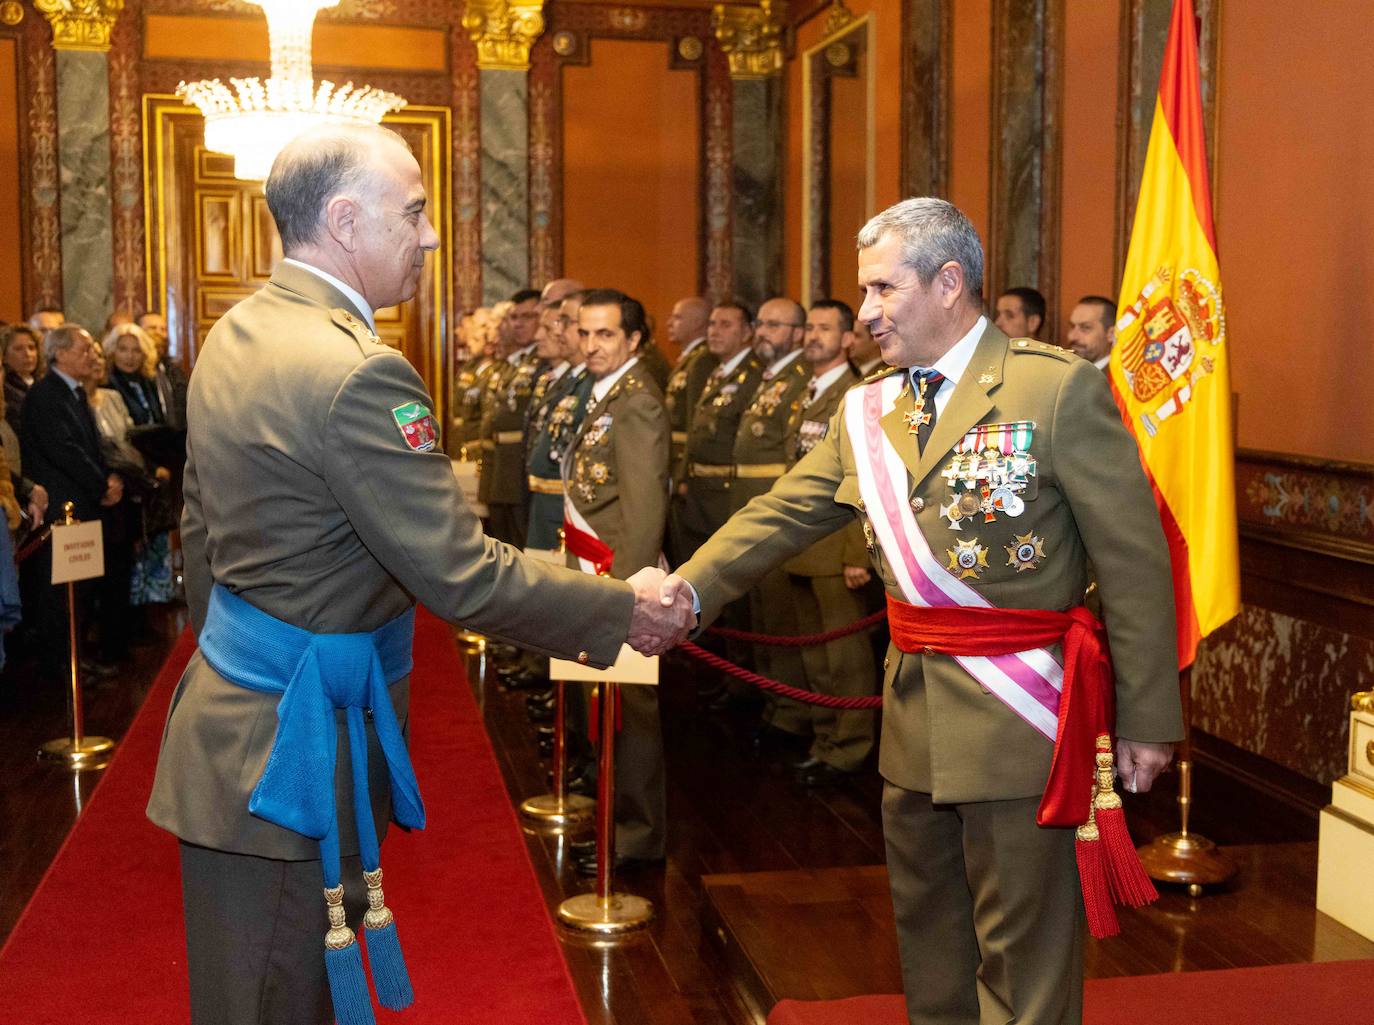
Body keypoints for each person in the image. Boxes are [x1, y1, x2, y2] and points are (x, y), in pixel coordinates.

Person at [142, 123, 693, 1025]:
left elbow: (203, 532)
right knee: (284, 993)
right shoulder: (361, 372)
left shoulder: (239, 328)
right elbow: (462, 575)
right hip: (294, 753)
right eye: (416, 211)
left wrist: (247, 659)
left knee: (252, 988)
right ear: (346, 220)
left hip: (235, 723)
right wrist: (621, 608)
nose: (431, 236)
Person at [661, 198, 1182, 1025]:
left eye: (880, 289)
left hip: (1024, 719)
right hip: (912, 720)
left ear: (949, 283)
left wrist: (1149, 718)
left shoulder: (1054, 390)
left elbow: (1134, 562)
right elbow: (784, 511)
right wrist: (686, 589)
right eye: (862, 292)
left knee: (1025, 959)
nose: (864, 313)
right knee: (930, 943)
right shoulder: (870, 408)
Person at [560, 288, 671, 876]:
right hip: (593, 571)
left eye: (605, 334)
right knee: (604, 707)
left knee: (629, 711)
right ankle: (612, 823)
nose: (591, 344)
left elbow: (645, 508)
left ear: (632, 341)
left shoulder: (636, 401)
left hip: (619, 580)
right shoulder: (605, 393)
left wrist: (629, 597)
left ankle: (635, 837)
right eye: (584, 332)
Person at [779, 299, 877, 786]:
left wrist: (857, 555)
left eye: (824, 329)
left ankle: (851, 747)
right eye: (809, 327)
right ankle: (825, 739)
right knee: (814, 657)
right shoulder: (808, 389)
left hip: (838, 547)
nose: (812, 335)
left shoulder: (855, 392)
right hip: (802, 545)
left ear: (847, 339)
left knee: (845, 660)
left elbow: (866, 479)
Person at [19, 325, 124, 681]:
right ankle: (61, 665)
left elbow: (92, 446)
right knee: (61, 592)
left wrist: (108, 478)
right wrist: (100, 485)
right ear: (59, 354)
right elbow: (64, 451)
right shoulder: (46, 394)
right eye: (84, 349)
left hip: (84, 503)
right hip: (64, 507)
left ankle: (78, 659)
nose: (92, 355)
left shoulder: (76, 392)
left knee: (83, 589)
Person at [730, 297, 811, 730]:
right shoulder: (769, 377)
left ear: (798, 333)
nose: (763, 331)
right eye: (760, 323)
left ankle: (790, 712)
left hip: (774, 509)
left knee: (780, 620)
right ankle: (770, 702)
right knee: (759, 612)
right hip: (749, 503)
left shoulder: (800, 379)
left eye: (775, 325)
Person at [671, 300, 763, 560]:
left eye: (725, 325)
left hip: (726, 493)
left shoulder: (754, 374)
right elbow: (695, 429)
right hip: (699, 491)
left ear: (747, 333)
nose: (714, 331)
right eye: (712, 324)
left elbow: (744, 441)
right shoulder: (716, 372)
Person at [477, 288, 543, 546]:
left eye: (526, 316)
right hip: (500, 467)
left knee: (520, 542)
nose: (517, 324)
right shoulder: (514, 363)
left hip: (519, 469)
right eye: (513, 317)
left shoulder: (542, 362)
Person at [2, 323, 43, 434]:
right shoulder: (5, 390)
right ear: (4, 356)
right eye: (18, 349)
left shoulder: (45, 384)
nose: (28, 354)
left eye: (31, 347)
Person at [1065, 294, 1117, 369]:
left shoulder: (1119, 378)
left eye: (1086, 327)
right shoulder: (1064, 373)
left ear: (1111, 334)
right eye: (1072, 326)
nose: (1073, 337)